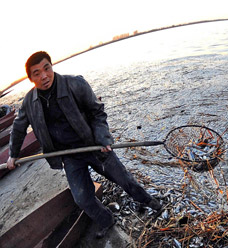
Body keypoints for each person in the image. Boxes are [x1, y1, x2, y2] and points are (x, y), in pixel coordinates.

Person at [8, 51, 162, 238]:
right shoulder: (29, 103)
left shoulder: (75, 84)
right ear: (31, 78)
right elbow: (18, 128)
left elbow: (97, 112)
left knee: (125, 180)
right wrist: (13, 154)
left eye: (46, 68)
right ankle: (107, 220)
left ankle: (150, 202)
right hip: (69, 156)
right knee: (82, 199)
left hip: (94, 147)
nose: (44, 76)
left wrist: (103, 139)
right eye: (37, 73)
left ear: (51, 66)